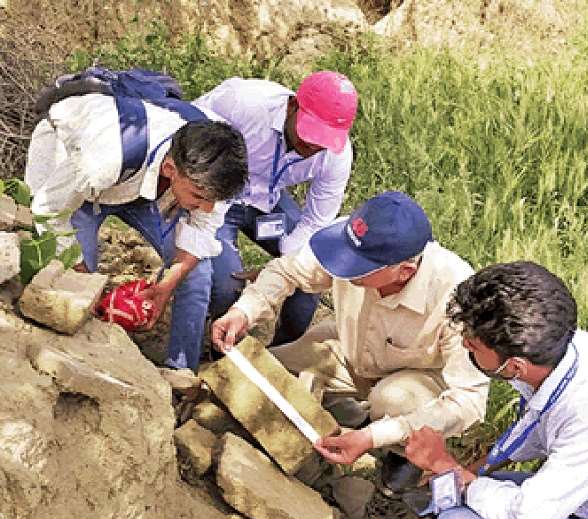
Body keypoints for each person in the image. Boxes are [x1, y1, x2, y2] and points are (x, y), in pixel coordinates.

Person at [211, 191, 489, 467]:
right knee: (264, 373)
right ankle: (342, 415)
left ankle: (403, 456)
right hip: (350, 347)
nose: (344, 266)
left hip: (418, 377)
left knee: (394, 400)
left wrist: (373, 437)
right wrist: (243, 311)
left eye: (359, 267)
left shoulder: (457, 297)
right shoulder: (353, 241)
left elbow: (469, 400)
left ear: (404, 271)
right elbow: (286, 271)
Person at [404, 261, 588, 519]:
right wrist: (467, 472)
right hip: (587, 496)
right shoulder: (570, 350)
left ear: (515, 366)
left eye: (472, 344)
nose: (464, 345)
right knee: (464, 495)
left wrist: (445, 466)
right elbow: (534, 427)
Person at [25, 93, 248, 368]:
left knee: (197, 273)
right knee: (76, 283)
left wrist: (166, 286)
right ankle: (82, 359)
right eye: (199, 197)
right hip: (80, 175)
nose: (207, 208)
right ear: (170, 169)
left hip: (148, 186)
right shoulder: (103, 159)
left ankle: (180, 370)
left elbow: (201, 232)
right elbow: (49, 209)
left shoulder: (219, 164)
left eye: (213, 200)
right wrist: (82, 271)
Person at [186, 71, 357, 366]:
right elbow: (186, 135)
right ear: (292, 106)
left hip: (268, 201)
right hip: (219, 197)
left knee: (306, 281)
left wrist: (283, 268)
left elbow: (315, 222)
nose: (314, 147)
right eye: (310, 134)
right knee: (228, 285)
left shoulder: (336, 156)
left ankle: (280, 362)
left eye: (324, 141)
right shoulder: (243, 103)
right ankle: (221, 360)